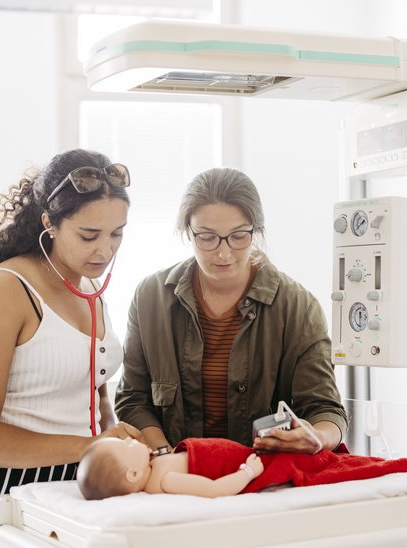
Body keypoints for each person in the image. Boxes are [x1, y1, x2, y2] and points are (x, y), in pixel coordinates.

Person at [0, 149, 144, 548]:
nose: (105, 250)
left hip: (67, 495)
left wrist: (113, 439)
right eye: (89, 235)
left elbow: (94, 390)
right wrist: (90, 447)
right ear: (49, 222)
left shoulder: (90, 291)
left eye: (117, 233)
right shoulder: (5, 291)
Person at [115, 167, 348, 455]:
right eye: (207, 237)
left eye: (239, 236)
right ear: (187, 231)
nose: (224, 253)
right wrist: (167, 457)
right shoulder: (150, 298)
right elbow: (133, 400)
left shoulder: (297, 307)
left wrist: (316, 438)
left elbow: (325, 408)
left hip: (265, 475)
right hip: (175, 474)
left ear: (256, 231)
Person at [77, 437, 407, 500]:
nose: (136, 442)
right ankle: (386, 466)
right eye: (129, 447)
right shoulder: (163, 480)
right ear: (133, 476)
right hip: (249, 466)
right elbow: (215, 490)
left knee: (319, 457)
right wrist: (248, 473)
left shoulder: (152, 467)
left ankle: (373, 461)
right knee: (316, 465)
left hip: (246, 454)